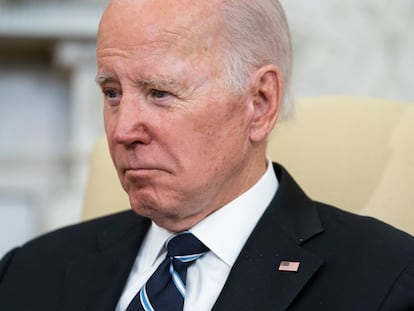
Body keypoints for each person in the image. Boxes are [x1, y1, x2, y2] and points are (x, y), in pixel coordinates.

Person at [0, 0, 413, 310]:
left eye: (159, 93)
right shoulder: (28, 274)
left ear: (260, 103)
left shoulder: (386, 282)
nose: (122, 131)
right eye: (112, 93)